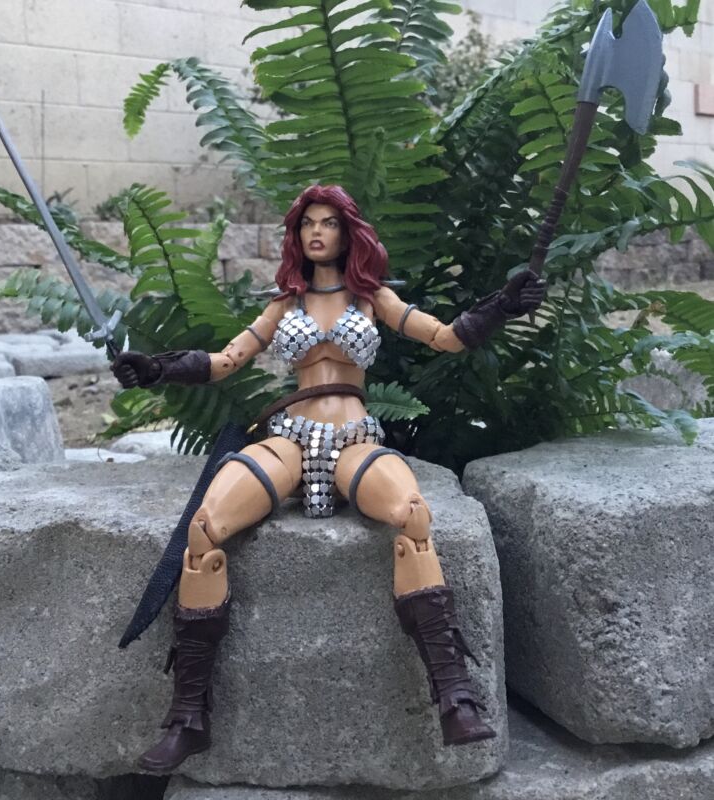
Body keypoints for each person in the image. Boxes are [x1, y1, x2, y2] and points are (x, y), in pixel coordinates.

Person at [112, 184, 545, 773]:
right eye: (308, 223)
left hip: (354, 440)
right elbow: (222, 362)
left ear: (348, 232)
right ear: (297, 235)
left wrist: (502, 305)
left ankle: (454, 696)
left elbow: (446, 337)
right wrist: (156, 367)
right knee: (205, 528)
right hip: (289, 438)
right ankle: (188, 718)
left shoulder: (372, 299)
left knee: (412, 516)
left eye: (329, 223)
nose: (318, 232)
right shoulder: (281, 305)